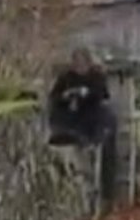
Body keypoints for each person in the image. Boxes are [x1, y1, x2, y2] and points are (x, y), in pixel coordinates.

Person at [48, 47, 118, 203]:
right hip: (73, 116)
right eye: (75, 63)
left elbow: (103, 95)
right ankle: (68, 135)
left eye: (81, 63)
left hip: (93, 115)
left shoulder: (96, 76)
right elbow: (54, 96)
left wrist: (87, 93)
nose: (78, 66)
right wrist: (66, 96)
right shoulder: (66, 78)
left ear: (88, 62)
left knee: (104, 120)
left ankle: (106, 192)